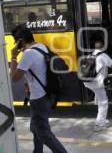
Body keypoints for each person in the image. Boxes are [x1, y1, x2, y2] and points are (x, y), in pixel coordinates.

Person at [10, 25, 68, 153]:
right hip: (47, 94)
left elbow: (14, 78)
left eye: (16, 42)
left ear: (20, 41)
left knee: (43, 132)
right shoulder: (42, 46)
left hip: (38, 98)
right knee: (36, 128)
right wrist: (28, 81)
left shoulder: (28, 54)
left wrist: (13, 56)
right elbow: (38, 69)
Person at [83, 34, 112, 131]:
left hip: (88, 82)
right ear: (102, 45)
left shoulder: (90, 55)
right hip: (97, 83)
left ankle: (102, 119)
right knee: (104, 102)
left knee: (100, 98)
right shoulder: (103, 55)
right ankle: (99, 124)